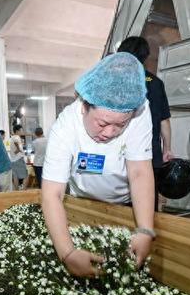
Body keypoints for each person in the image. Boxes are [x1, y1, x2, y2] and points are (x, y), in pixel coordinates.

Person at [41, 52, 155, 278]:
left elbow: (140, 171)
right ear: (84, 106)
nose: (110, 133)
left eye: (120, 125)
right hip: (80, 203)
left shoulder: (139, 110)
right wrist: (68, 253)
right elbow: (51, 194)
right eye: (102, 123)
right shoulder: (65, 127)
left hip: (124, 204)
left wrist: (144, 230)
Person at [117, 36, 172, 211]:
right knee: (147, 203)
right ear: (145, 56)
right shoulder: (155, 83)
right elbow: (164, 120)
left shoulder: (115, 81)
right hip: (150, 155)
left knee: (119, 205)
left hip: (120, 154)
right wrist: (167, 149)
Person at [9, 125, 28, 190]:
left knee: (15, 177)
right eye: (21, 130)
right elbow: (17, 144)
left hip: (13, 160)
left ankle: (17, 191)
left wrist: (16, 151)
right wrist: (18, 149)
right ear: (17, 131)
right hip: (19, 159)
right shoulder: (17, 137)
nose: (22, 131)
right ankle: (24, 191)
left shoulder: (11, 138)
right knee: (25, 176)